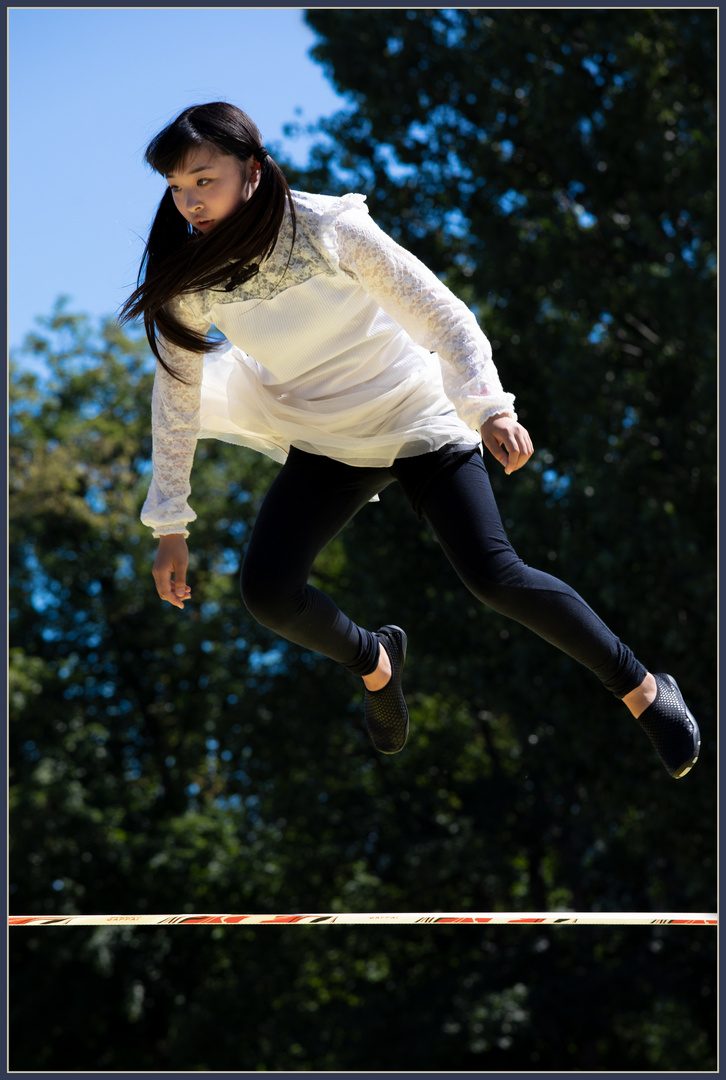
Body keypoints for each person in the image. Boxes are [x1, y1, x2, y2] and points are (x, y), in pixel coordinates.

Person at [121, 102, 700, 779]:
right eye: (175, 188)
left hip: (417, 417)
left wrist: (488, 408)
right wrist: (170, 524)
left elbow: (440, 312)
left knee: (494, 576)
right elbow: (177, 397)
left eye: (203, 179)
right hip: (326, 437)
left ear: (253, 170)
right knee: (268, 593)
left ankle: (646, 690)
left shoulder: (329, 227)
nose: (189, 200)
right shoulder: (192, 281)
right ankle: (376, 662)